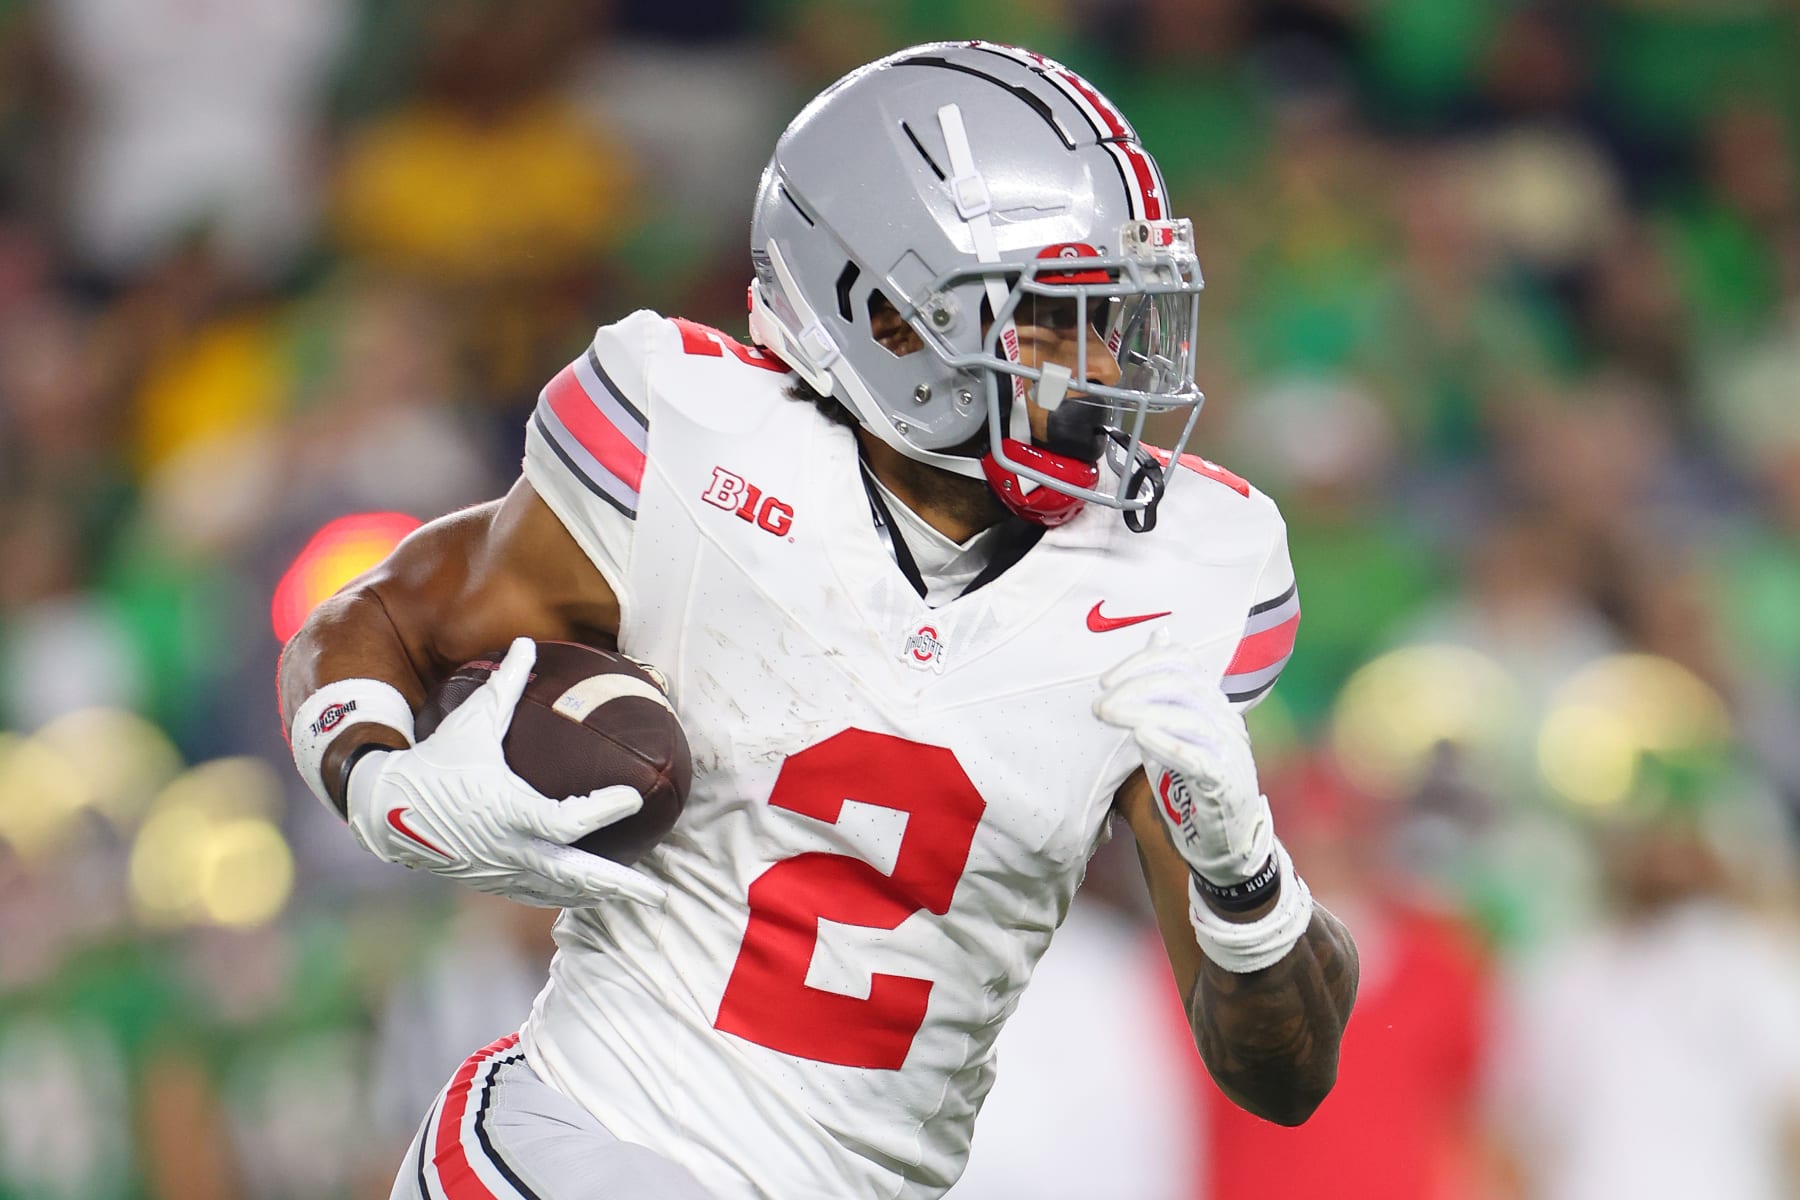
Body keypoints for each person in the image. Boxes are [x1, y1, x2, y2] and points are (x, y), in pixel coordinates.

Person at [278, 42, 1358, 1200]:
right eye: (1051, 321)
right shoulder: (696, 443)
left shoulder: (1182, 568)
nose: (1103, 371)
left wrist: (1248, 885)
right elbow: (377, 622)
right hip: (582, 1143)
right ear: (889, 316)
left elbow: (1282, 1080)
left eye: (1116, 320)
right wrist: (378, 779)